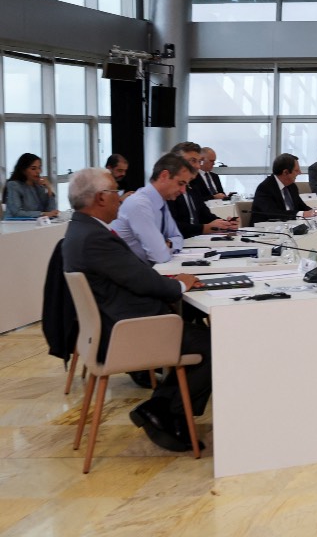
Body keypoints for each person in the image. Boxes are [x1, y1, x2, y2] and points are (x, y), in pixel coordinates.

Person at [61, 167, 209, 452]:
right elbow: (139, 279)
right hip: (125, 332)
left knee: (197, 335)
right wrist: (179, 287)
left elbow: (133, 275)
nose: (120, 198)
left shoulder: (80, 229)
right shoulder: (95, 237)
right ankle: (168, 413)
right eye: (115, 192)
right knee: (213, 344)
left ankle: (160, 407)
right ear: (101, 198)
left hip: (109, 327)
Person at [110, 154, 191, 265]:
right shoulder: (139, 204)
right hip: (134, 276)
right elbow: (159, 257)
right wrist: (164, 247)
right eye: (181, 183)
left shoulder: (161, 202)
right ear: (164, 176)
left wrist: (168, 244)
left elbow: (178, 237)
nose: (183, 191)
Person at [167, 143, 235, 238]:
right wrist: (204, 228)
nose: (198, 166)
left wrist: (226, 224)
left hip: (194, 241)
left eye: (198, 161)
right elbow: (172, 225)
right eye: (193, 161)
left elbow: (205, 215)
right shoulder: (168, 190)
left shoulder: (192, 186)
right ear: (175, 162)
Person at [251, 153, 317, 223]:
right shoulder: (265, 188)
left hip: (288, 227)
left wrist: (314, 211)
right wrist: (301, 214)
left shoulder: (292, 186)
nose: (300, 173)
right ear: (285, 172)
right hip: (265, 229)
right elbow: (273, 214)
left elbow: (301, 206)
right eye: (296, 170)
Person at [4, 153, 57, 219]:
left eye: (39, 168)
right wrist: (42, 214)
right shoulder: (14, 185)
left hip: (35, 225)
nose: (38, 171)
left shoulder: (38, 186)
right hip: (15, 226)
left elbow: (50, 212)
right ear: (23, 170)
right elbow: (16, 213)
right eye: (33, 169)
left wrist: (49, 189)